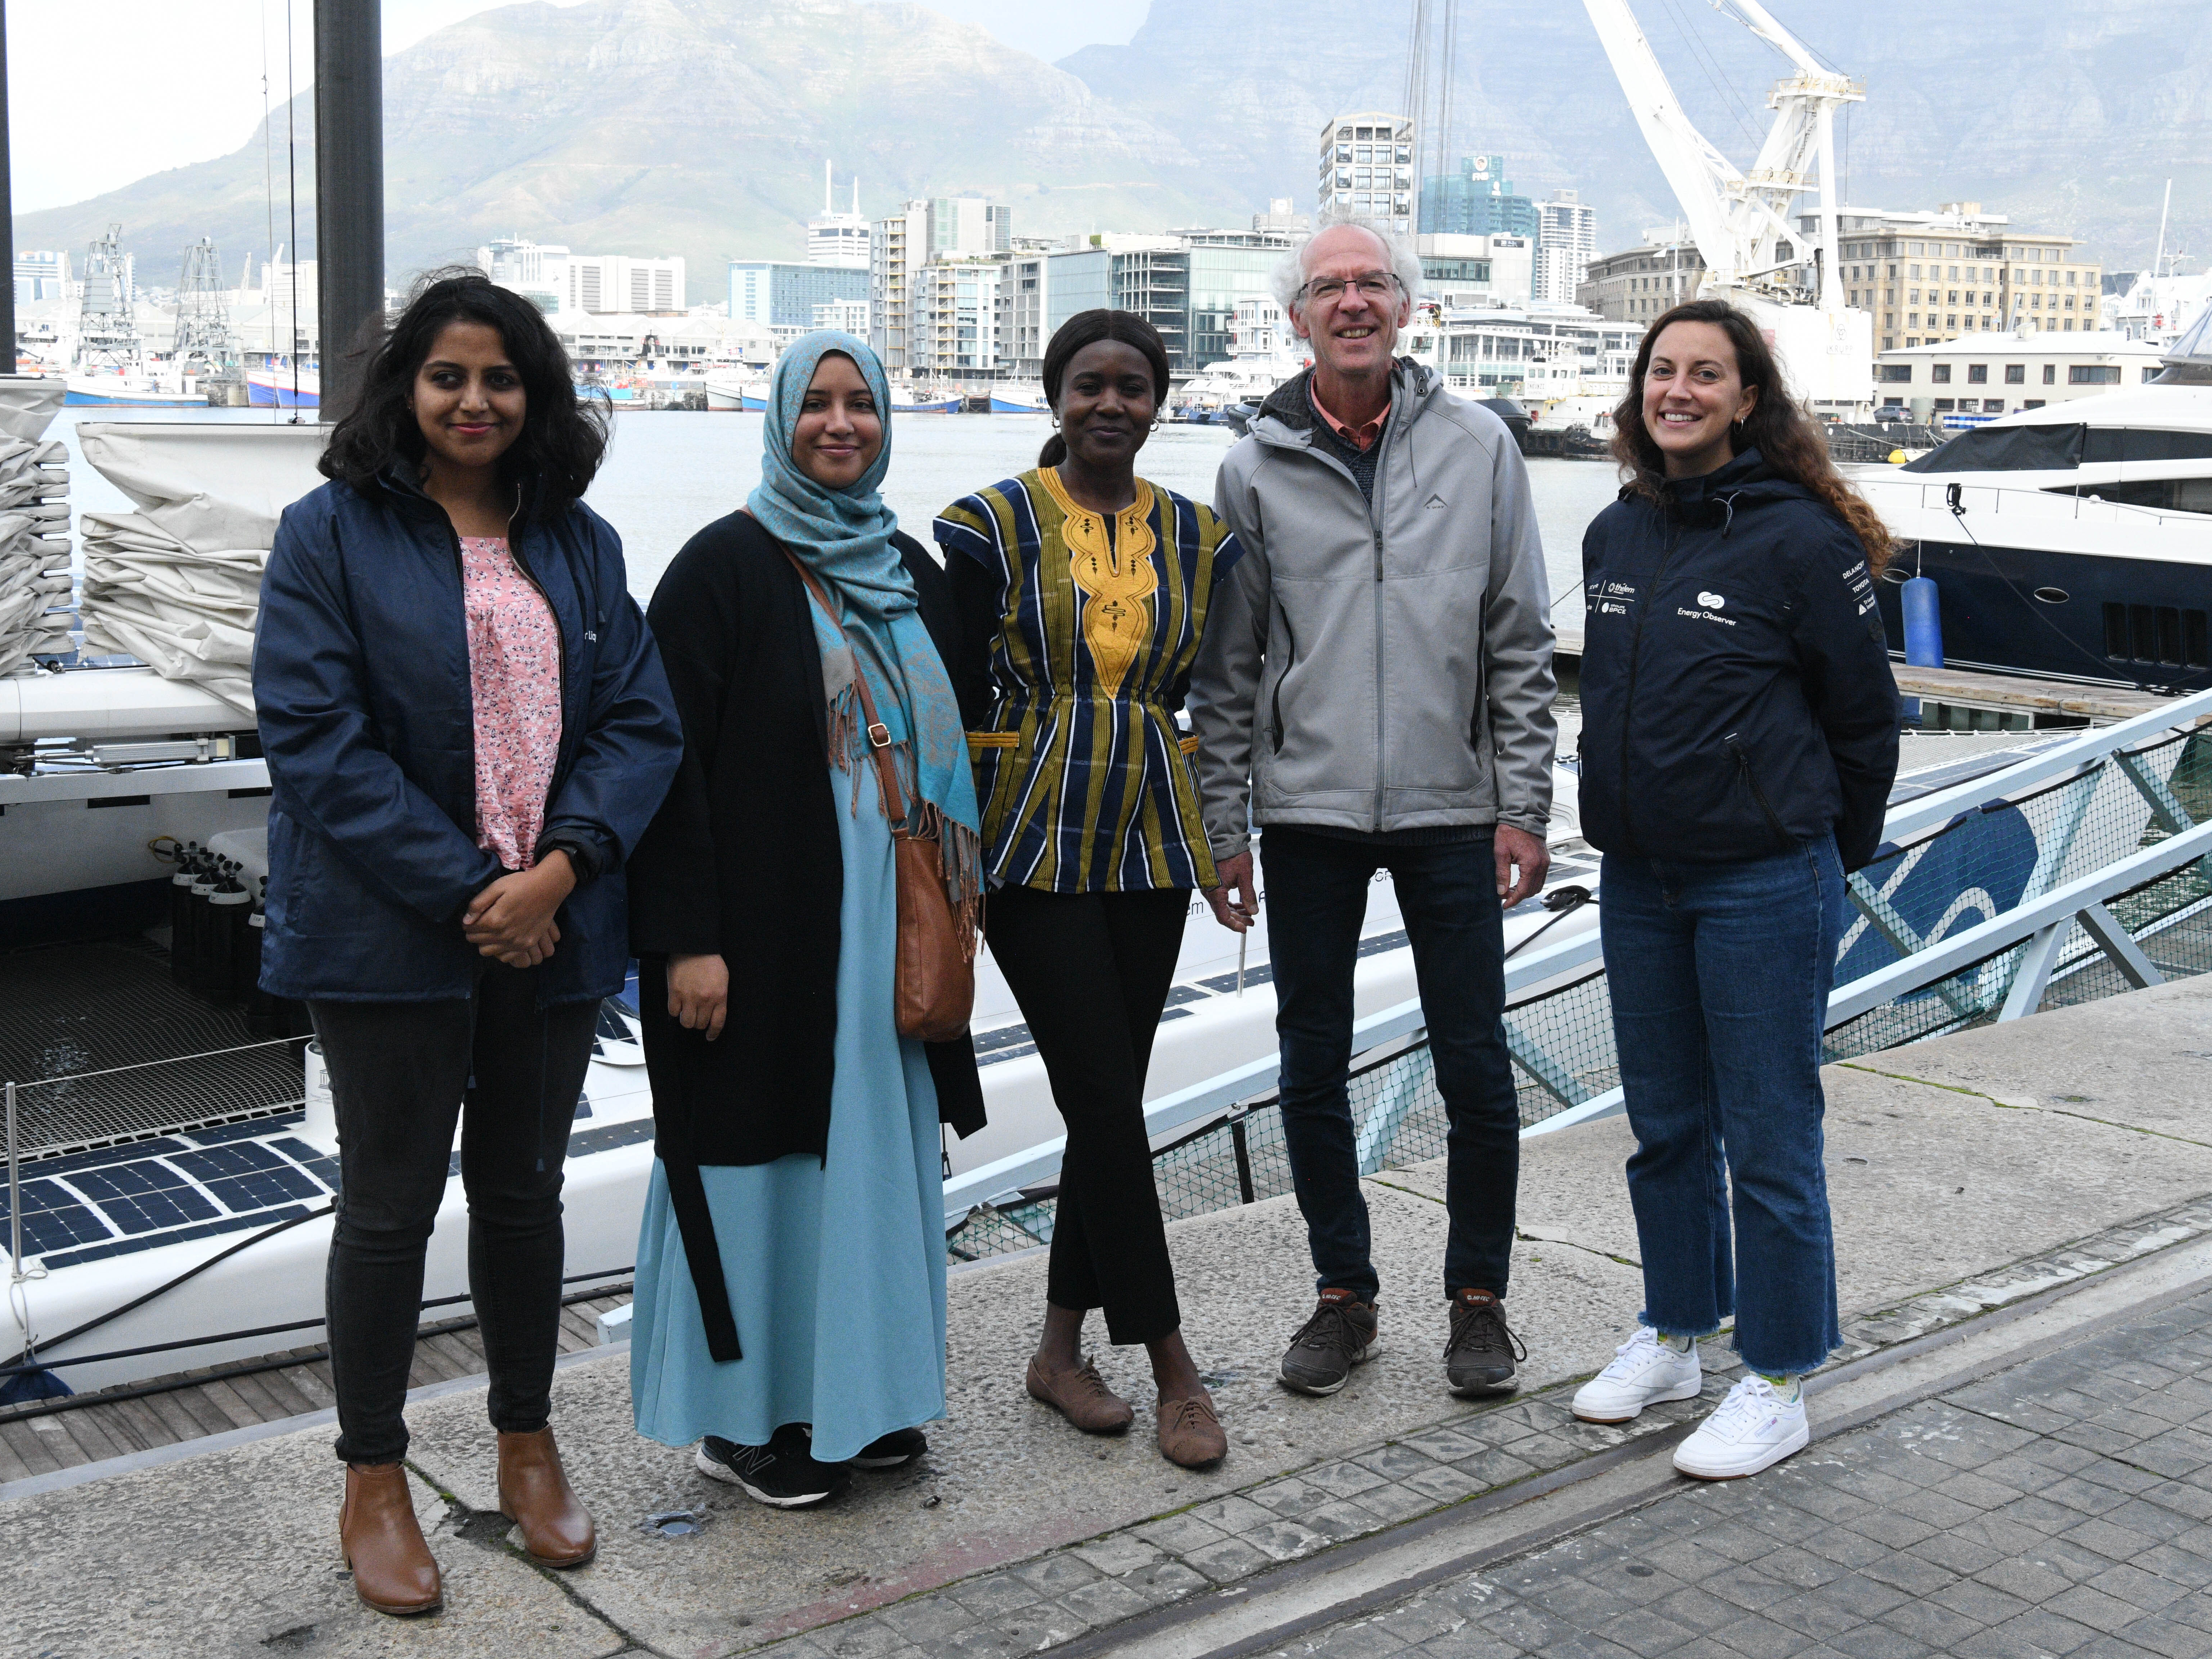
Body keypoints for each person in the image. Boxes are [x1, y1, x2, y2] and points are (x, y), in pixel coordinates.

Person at [255, 270, 681, 1617]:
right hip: (390, 935)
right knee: (386, 1207)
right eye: (449, 376)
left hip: (555, 924)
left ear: (535, 392)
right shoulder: (326, 535)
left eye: (501, 378)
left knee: (523, 1194)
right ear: (408, 389)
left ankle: (524, 1440)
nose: (475, 400)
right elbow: (315, 739)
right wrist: (473, 892)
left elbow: (638, 723)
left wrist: (556, 875)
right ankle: (373, 1478)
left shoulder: (579, 540)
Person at [1187, 212, 1558, 1402]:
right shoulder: (1251, 469)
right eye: (1330, 287)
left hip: (1454, 807)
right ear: (1295, 318)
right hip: (1309, 812)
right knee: (1310, 1063)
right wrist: (1224, 829)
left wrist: (1527, 805)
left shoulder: (1480, 447)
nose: (1353, 302)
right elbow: (1227, 671)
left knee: (1476, 1066)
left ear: (1407, 310)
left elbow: (1518, 640)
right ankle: (1343, 1295)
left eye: (1374, 285)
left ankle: (1479, 1302)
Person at [625, 332, 990, 1508]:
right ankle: (742, 1422)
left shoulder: (914, 570)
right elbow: (663, 771)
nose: (842, 424)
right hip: (767, 938)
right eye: (818, 404)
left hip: (890, 938)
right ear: (780, 419)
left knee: (873, 1167)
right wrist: (686, 938)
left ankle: (858, 1400)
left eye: (862, 405)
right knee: (758, 1168)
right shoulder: (719, 571)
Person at [1564, 297, 1901, 1480]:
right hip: (1639, 878)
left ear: (1748, 398)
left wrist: (1818, 855)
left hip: (1764, 880)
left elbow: (1866, 722)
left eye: (1708, 375)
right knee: (1663, 1129)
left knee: (1767, 1138)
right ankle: (1675, 1331)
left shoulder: (1801, 543)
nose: (1681, 392)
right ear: (1640, 391)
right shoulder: (1616, 535)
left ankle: (1780, 1374)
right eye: (1664, 372)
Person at [936, 310, 1242, 1471]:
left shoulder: (1203, 539)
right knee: (1108, 1104)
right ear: (1053, 394)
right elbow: (953, 698)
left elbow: (1223, 697)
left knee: (1105, 1101)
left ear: (1158, 401)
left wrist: (1228, 842)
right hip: (1030, 836)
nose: (1110, 404)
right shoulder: (987, 528)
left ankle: (1059, 1350)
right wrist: (949, 860)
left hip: (1154, 835)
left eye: (1133, 386)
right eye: (1087, 385)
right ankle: (1173, 1365)